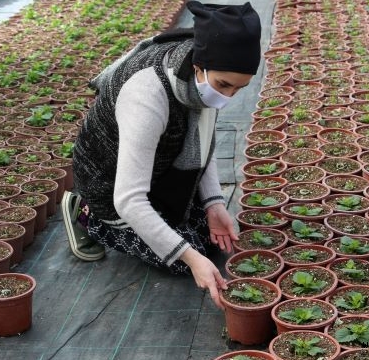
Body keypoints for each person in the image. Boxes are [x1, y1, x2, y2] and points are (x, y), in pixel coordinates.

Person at [61, 1, 261, 309]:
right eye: (224, 85)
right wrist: (191, 258)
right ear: (199, 67)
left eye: (239, 88)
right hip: (111, 184)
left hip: (157, 167)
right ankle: (85, 214)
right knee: (185, 260)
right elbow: (128, 200)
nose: (228, 96)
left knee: (211, 239)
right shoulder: (147, 95)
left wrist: (214, 204)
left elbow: (202, 141)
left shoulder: (197, 79)